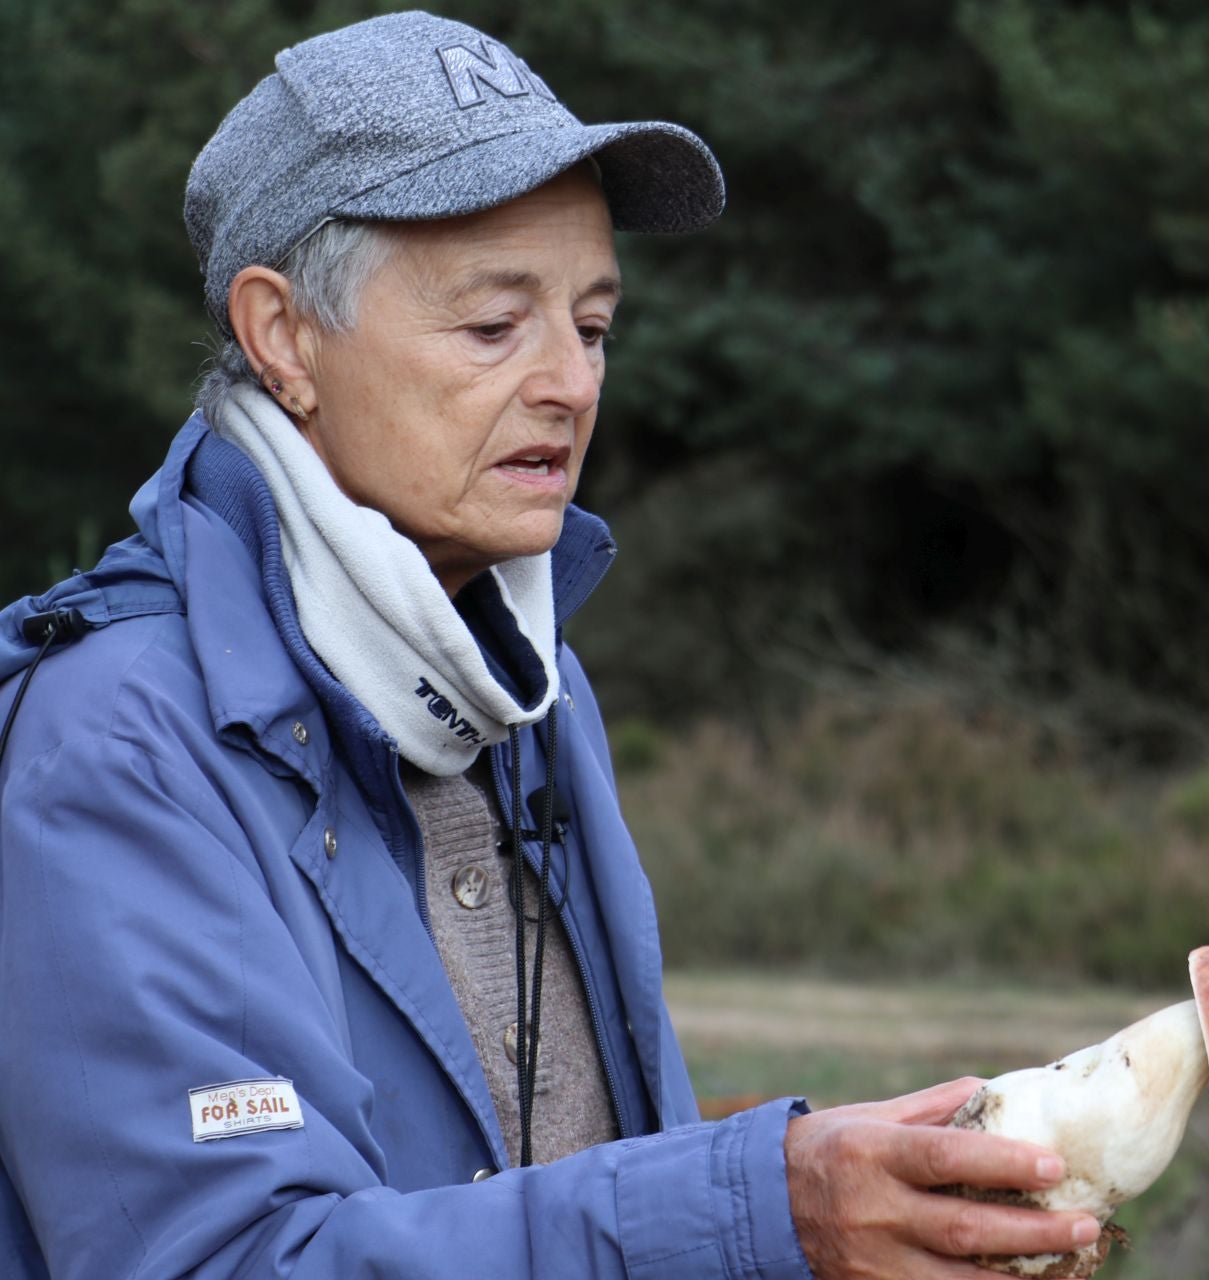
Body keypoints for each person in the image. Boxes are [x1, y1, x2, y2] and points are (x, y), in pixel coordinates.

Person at [0, 13, 1099, 1278]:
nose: (571, 384)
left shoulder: (530, 680)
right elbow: (224, 1260)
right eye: (492, 327)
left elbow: (578, 1164)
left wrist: (843, 1201)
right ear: (284, 336)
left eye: (591, 324)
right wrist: (753, 1210)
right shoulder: (120, 735)